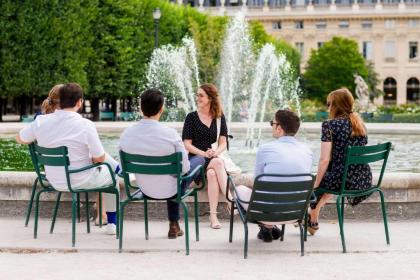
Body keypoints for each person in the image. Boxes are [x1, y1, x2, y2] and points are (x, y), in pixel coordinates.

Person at [16, 83, 120, 235]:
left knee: (106, 165)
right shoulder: (86, 125)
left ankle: (120, 170)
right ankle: (112, 223)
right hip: (79, 180)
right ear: (79, 102)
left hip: (53, 179)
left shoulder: (40, 122)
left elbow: (19, 138)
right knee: (113, 177)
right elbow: (99, 158)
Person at [119, 88, 204, 239]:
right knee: (198, 160)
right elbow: (184, 169)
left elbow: (124, 168)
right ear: (162, 109)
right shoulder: (170, 134)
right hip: (172, 190)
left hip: (144, 189)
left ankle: (174, 224)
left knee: (173, 175)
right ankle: (173, 222)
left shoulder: (127, 134)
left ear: (140, 107)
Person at [234, 109, 313, 242]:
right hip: (295, 212)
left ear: (279, 128)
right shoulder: (308, 150)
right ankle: (267, 227)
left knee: (239, 189)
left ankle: (267, 225)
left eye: (272, 123)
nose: (271, 126)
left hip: (267, 212)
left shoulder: (265, 149)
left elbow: (257, 182)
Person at [309, 88, 372, 235]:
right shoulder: (361, 125)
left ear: (335, 106)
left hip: (342, 180)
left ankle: (311, 219)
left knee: (317, 183)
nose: (327, 107)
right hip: (363, 179)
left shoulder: (329, 125)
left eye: (329, 104)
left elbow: (324, 160)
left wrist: (315, 185)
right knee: (332, 175)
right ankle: (312, 218)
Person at [182, 83, 230, 229]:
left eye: (201, 95)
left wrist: (216, 152)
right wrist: (204, 153)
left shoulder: (220, 117)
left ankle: (213, 216)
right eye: (197, 95)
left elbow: (223, 142)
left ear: (210, 98)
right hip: (196, 161)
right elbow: (187, 144)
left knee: (212, 173)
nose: (198, 98)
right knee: (218, 163)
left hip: (212, 159)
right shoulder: (191, 117)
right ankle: (231, 200)